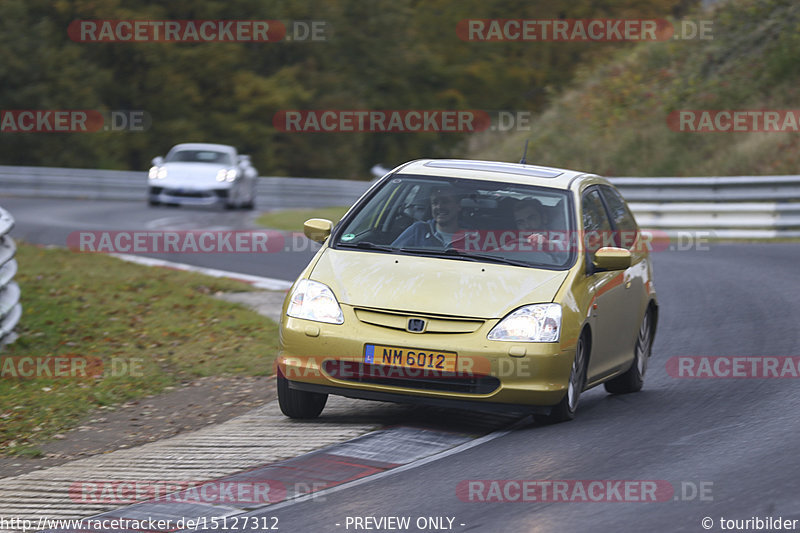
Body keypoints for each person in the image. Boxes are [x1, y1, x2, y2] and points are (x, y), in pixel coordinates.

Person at [392, 185, 464, 248]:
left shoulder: (471, 237)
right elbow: (391, 255)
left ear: (458, 206)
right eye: (435, 203)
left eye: (445, 202)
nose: (439, 207)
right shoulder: (418, 230)